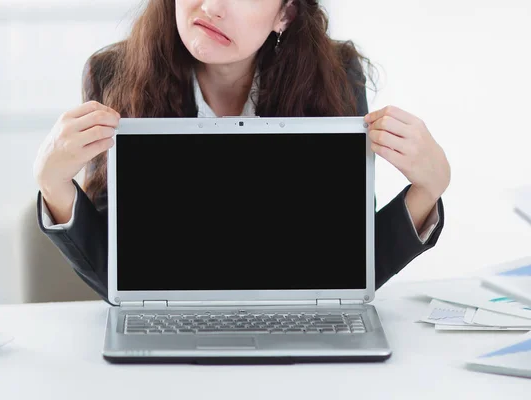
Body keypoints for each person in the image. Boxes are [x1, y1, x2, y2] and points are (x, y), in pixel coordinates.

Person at [33, 0, 450, 304]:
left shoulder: (336, 77)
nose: (212, 6)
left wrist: (427, 190)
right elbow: (119, 280)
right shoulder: (113, 75)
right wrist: (54, 184)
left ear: (285, 14)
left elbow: (350, 273)